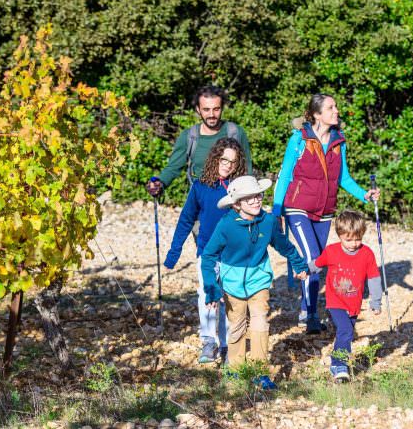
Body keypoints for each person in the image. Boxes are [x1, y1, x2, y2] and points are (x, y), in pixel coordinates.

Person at [273, 93, 380, 334]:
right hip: (297, 207)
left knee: (317, 263)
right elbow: (285, 175)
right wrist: (276, 211)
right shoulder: (298, 139)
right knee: (312, 257)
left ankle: (304, 309)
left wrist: (365, 194)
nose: (337, 111)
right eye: (331, 108)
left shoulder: (338, 141)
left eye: (336, 107)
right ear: (317, 114)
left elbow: (343, 177)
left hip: (324, 212)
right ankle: (310, 315)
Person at [201, 175, 308, 389]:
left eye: (258, 195)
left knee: (260, 322)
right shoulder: (225, 225)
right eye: (249, 198)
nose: (256, 201)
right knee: (238, 326)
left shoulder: (267, 221)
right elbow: (208, 256)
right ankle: (236, 370)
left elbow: (283, 245)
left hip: (259, 280)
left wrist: (299, 264)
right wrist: (211, 288)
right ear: (237, 204)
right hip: (232, 284)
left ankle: (260, 372)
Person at [164, 138, 247, 363]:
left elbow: (252, 216)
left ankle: (229, 345)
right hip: (208, 252)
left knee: (230, 297)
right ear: (215, 158)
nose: (228, 165)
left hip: (234, 254)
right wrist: (174, 252)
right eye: (224, 159)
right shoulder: (200, 186)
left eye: (233, 162)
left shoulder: (239, 189)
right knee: (207, 293)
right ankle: (209, 341)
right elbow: (186, 219)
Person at [308, 209, 383, 382]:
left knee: (345, 332)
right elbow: (318, 264)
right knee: (346, 330)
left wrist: (376, 301)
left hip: (354, 303)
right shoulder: (332, 251)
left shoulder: (367, 254)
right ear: (339, 235)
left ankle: (338, 359)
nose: (353, 244)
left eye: (358, 239)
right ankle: (339, 364)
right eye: (348, 239)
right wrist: (304, 270)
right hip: (335, 301)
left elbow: (373, 278)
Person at [146, 85, 252, 197]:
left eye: (216, 109)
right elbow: (173, 167)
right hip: (200, 202)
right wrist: (160, 183)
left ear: (222, 108)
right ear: (198, 109)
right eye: (206, 109)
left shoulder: (236, 133)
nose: (211, 115)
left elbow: (247, 169)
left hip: (232, 200)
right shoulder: (189, 136)